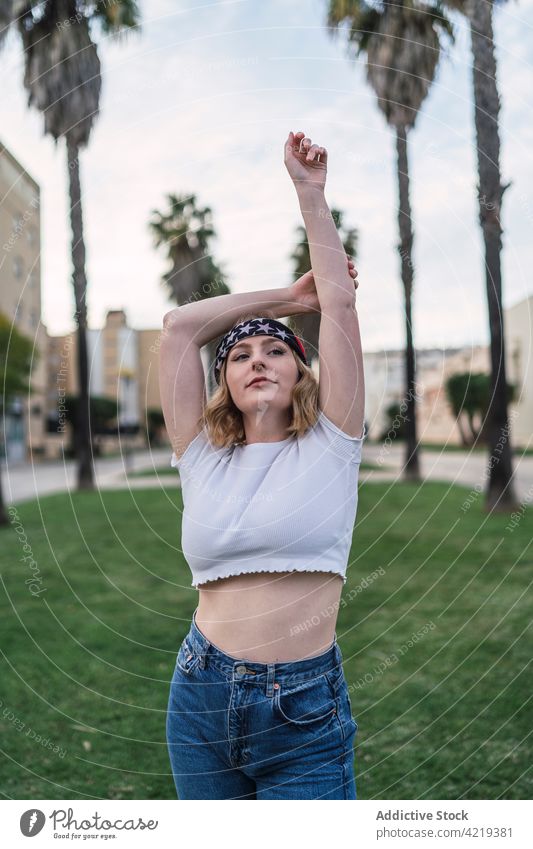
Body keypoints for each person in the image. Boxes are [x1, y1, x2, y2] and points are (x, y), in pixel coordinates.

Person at [159, 130, 366, 800]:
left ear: (301, 370)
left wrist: (310, 194)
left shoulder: (333, 440)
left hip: (302, 708)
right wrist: (283, 300)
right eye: (240, 354)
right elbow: (177, 326)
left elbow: (338, 302)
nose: (255, 359)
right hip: (198, 695)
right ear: (224, 380)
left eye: (274, 351)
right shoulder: (200, 454)